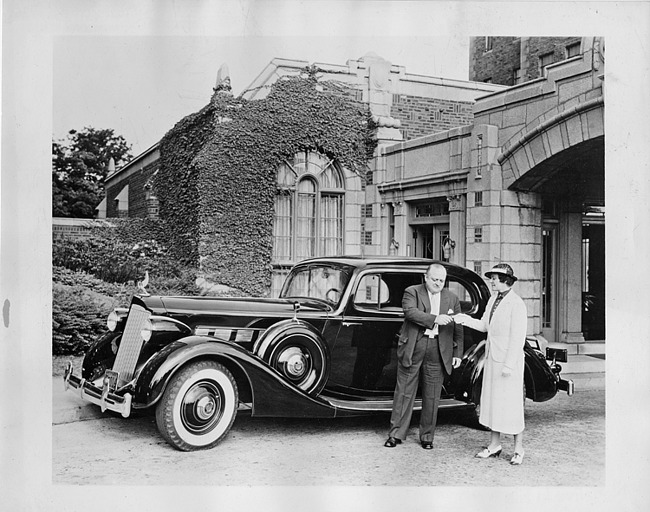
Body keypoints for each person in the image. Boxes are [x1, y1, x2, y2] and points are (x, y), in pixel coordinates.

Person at [454, 263, 527, 465]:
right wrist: (463, 319)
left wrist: (509, 366)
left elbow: (517, 338)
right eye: (492, 277)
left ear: (505, 280)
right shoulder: (494, 299)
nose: (492, 281)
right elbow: (484, 326)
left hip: (508, 363)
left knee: (511, 405)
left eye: (495, 278)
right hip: (493, 359)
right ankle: (494, 445)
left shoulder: (516, 303)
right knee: (493, 403)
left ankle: (518, 449)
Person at [384, 263, 463, 449]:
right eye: (434, 279)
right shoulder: (411, 292)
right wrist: (435, 318)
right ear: (425, 277)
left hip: (439, 349)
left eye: (441, 280)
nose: (438, 283)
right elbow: (410, 312)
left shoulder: (452, 298)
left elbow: (458, 327)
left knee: (432, 394)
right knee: (404, 392)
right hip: (414, 346)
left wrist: (458, 352)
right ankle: (395, 434)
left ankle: (427, 437)